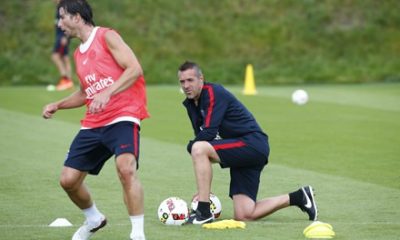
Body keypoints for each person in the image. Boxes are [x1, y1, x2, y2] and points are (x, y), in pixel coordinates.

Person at [42, 1, 149, 239]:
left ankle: (137, 235)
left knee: (126, 169)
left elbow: (134, 68)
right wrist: (57, 105)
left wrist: (108, 92)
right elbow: (84, 92)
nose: (60, 24)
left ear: (77, 17)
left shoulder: (107, 36)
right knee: (68, 180)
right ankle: (94, 218)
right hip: (94, 122)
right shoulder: (79, 54)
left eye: (62, 18)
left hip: (123, 114)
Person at [177, 61, 318, 224]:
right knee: (244, 214)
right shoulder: (191, 104)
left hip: (252, 144)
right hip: (241, 150)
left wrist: (203, 196)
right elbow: (202, 138)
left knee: (198, 148)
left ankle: (203, 211)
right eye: (182, 81)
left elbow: (208, 134)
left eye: (190, 80)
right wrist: (203, 191)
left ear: (201, 79)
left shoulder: (214, 92)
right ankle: (299, 197)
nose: (186, 85)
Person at [51, 0, 74, 91]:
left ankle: (65, 79)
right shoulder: (58, 8)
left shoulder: (63, 8)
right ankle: (68, 82)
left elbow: (68, 22)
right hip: (60, 36)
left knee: (55, 56)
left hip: (62, 37)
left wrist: (65, 37)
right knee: (65, 58)